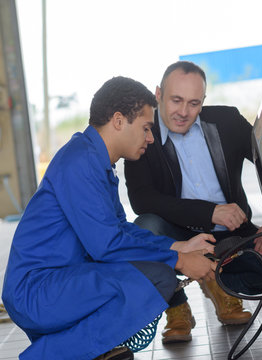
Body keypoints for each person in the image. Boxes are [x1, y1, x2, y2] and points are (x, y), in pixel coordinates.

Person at [1, 76, 217, 360]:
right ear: (118, 120)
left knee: (158, 273)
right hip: (38, 291)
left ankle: (90, 351)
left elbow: (122, 231)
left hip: (59, 283)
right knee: (157, 277)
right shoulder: (79, 161)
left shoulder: (98, 163)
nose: (151, 138)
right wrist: (180, 261)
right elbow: (107, 245)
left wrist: (178, 247)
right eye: (146, 128)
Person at [124, 61, 262, 343]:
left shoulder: (227, 121)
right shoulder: (142, 137)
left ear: (203, 102)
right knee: (144, 228)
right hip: (180, 236)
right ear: (158, 95)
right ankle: (176, 305)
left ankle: (219, 284)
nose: (184, 112)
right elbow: (142, 200)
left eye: (193, 103)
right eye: (176, 100)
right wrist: (210, 212)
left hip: (234, 235)